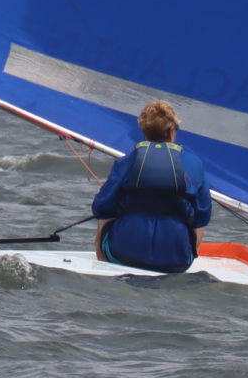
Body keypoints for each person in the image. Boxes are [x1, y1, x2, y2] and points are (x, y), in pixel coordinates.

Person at [91, 99, 213, 273]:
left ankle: (104, 267)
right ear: (172, 130)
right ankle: (181, 260)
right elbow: (203, 214)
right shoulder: (194, 164)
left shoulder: (127, 161)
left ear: (144, 130)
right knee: (198, 225)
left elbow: (101, 208)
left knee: (104, 219)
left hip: (123, 253)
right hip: (175, 261)